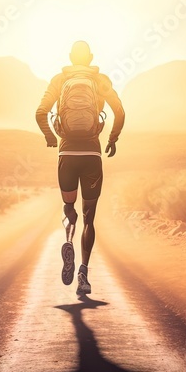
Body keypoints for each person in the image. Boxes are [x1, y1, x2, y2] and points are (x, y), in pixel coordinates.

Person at [35, 41, 125, 295]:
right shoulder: (101, 80)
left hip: (67, 154)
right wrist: (112, 139)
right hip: (91, 154)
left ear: (70, 57)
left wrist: (50, 137)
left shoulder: (59, 79)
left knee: (68, 207)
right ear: (91, 58)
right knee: (90, 217)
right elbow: (119, 112)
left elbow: (40, 112)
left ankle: (67, 241)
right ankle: (83, 272)